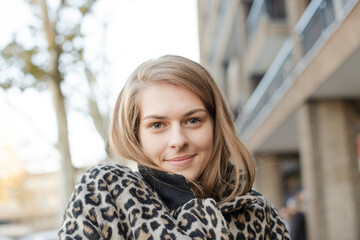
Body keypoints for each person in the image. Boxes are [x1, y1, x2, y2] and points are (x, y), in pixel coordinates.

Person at [58, 55, 290, 239]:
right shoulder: (106, 192)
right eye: (158, 124)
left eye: (193, 120)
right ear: (135, 133)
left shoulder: (257, 211)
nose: (178, 140)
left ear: (216, 124)